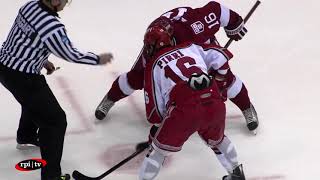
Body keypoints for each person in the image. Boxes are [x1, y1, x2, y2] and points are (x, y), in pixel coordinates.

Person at [95, 1, 259, 134]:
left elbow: (218, 10)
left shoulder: (194, 26)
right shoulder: (152, 48)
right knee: (138, 77)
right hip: (174, 40)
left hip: (198, 44)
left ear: (170, 42)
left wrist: (235, 24)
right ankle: (110, 98)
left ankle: (247, 107)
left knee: (223, 78)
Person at [0, 0, 113, 179]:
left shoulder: (29, 6)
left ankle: (26, 136)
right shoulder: (52, 26)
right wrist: (97, 59)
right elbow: (70, 53)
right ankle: (51, 176)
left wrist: (41, 60)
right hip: (23, 77)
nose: (66, 3)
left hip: (5, 67)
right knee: (55, 121)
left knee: (32, 102)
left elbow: (23, 37)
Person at [138, 20, 246, 180]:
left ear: (154, 45)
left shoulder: (153, 65)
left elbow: (155, 113)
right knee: (218, 140)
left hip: (184, 108)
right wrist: (220, 80)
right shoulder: (191, 47)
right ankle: (237, 174)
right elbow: (221, 55)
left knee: (158, 151)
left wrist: (157, 132)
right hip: (213, 98)